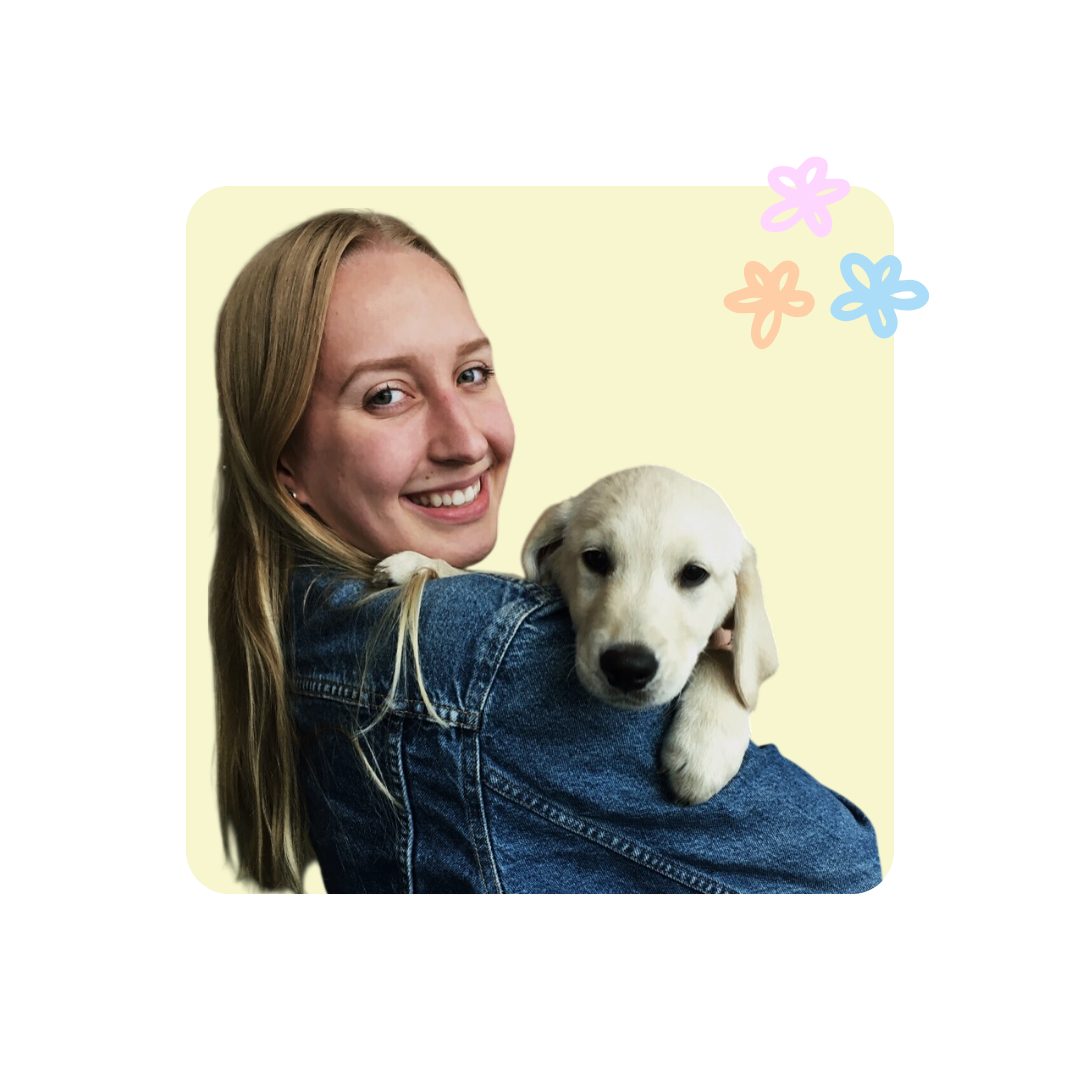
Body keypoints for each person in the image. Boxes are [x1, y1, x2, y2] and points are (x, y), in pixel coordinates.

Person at [210, 209, 883, 893]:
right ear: (285, 463)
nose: (466, 442)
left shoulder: (304, 624)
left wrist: (721, 682)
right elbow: (850, 868)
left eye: (472, 373)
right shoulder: (491, 656)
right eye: (386, 395)